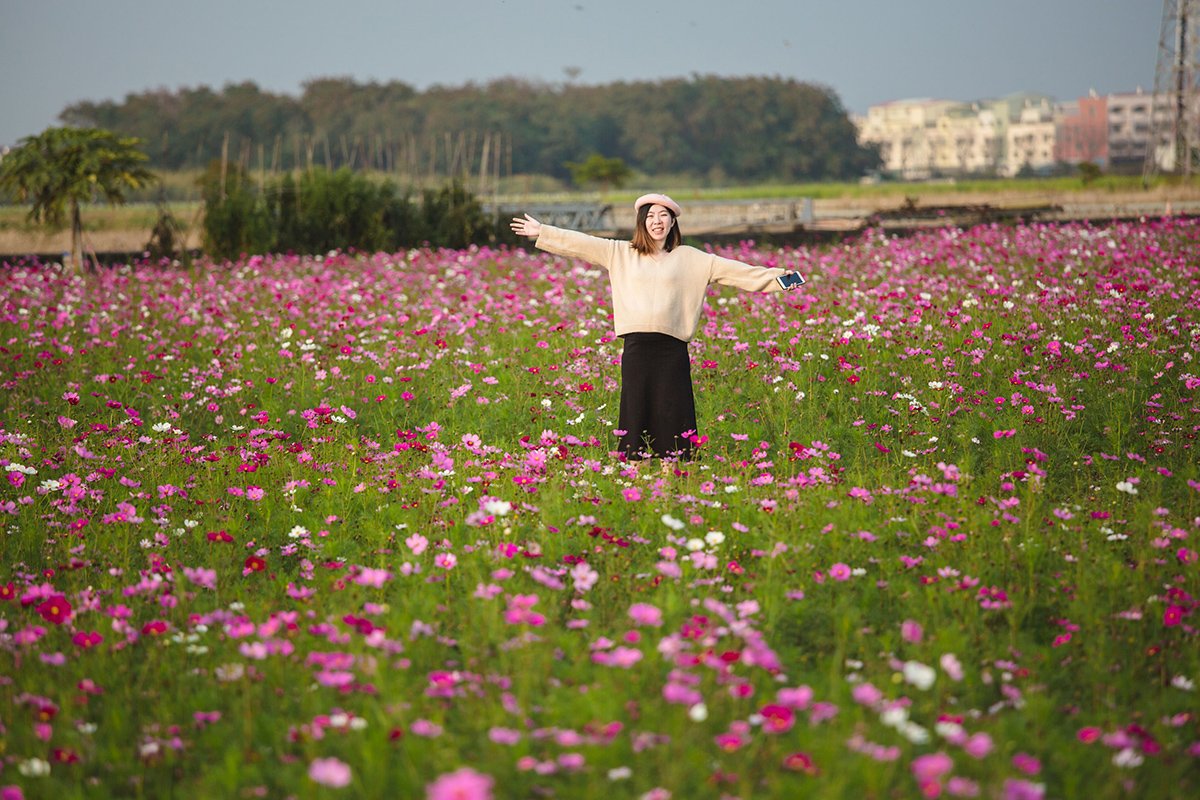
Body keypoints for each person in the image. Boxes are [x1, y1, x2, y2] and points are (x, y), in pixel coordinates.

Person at [510, 193, 804, 462]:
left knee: (673, 412)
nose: (657, 221)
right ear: (642, 222)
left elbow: (738, 272)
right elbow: (581, 243)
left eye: (663, 215)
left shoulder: (692, 259)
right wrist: (544, 232)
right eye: (650, 216)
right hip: (637, 347)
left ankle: (672, 473)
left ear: (673, 221)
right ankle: (635, 474)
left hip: (672, 349)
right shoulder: (620, 253)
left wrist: (782, 279)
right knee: (635, 410)